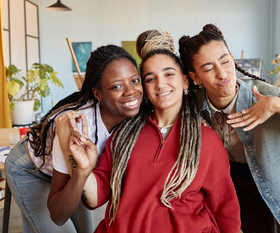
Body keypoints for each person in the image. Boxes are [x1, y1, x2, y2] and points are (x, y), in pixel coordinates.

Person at [54, 29, 241, 233]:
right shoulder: (123, 135)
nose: (161, 84)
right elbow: (96, 195)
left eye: (169, 74)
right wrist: (82, 168)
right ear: (144, 87)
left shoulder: (207, 140)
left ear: (185, 80)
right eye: (150, 79)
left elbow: (226, 211)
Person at [178, 23, 280, 233]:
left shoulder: (263, 94)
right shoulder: (191, 106)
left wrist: (277, 105)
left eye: (225, 61)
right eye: (208, 68)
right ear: (195, 77)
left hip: (262, 191)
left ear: (233, 59)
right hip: (218, 191)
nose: (222, 73)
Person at [4, 45, 143, 233]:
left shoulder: (134, 115)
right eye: (117, 86)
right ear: (98, 94)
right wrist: (81, 172)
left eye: (135, 80)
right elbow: (58, 215)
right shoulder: (75, 128)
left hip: (67, 171)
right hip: (30, 169)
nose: (131, 91)